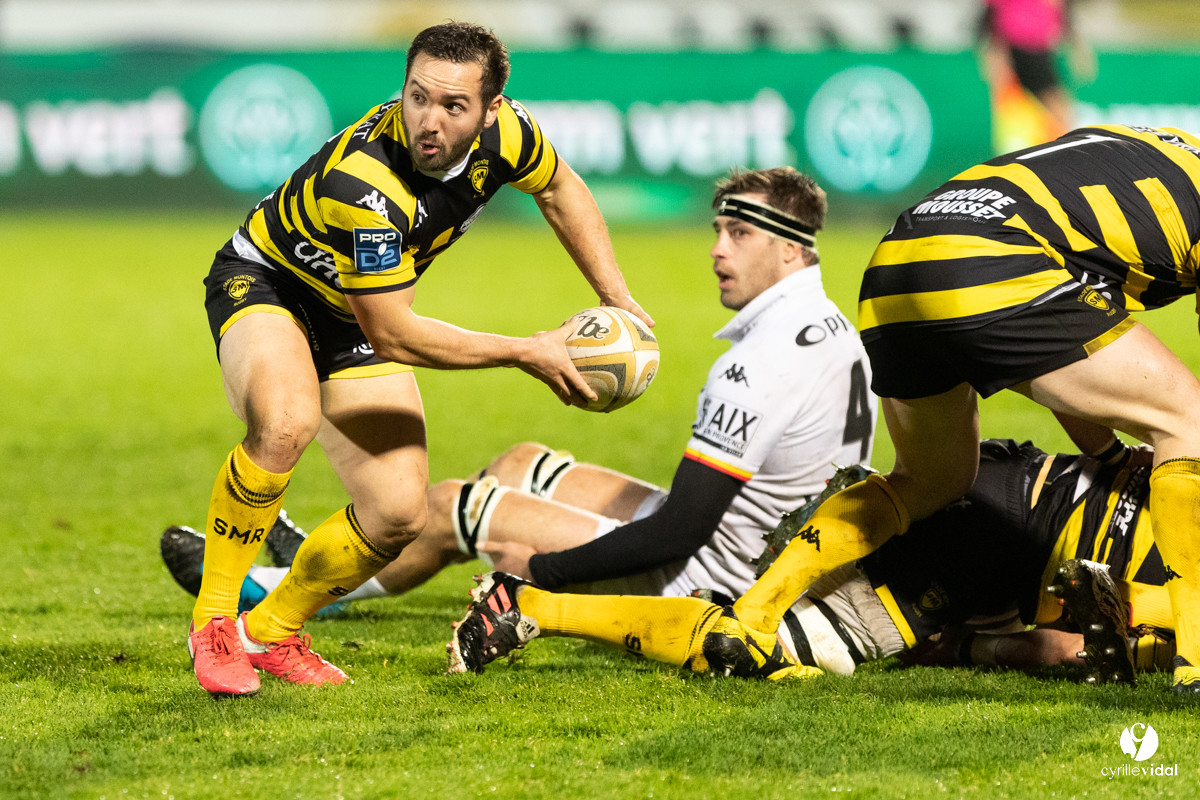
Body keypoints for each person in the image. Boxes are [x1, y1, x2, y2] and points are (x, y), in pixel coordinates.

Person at [162, 166, 878, 666]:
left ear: (791, 247)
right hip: (764, 546)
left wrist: (536, 576)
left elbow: (680, 532)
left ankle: (277, 594)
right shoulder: (824, 324)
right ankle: (310, 556)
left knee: (449, 508)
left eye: (740, 236)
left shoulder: (755, 365)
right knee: (519, 463)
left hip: (711, 579)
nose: (718, 250)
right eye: (718, 229)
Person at [186, 20, 651, 697]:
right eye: (417, 96)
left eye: (453, 106)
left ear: (491, 110)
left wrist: (619, 301)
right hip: (269, 286)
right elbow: (396, 334)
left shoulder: (510, 136)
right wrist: (526, 350)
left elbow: (561, 190)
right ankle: (214, 626)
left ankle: (272, 630)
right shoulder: (366, 183)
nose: (428, 120)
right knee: (286, 422)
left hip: (352, 318)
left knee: (399, 513)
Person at [695, 123, 1200, 695]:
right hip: (995, 262)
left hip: (897, 262)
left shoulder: (1154, 147)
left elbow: (1082, 340)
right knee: (1189, 421)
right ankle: (1196, 662)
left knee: (931, 481)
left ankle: (750, 617)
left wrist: (1108, 452)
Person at [448, 438, 1175, 683]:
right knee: (767, 642)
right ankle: (532, 602)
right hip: (988, 559)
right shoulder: (1182, 625)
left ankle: (536, 489)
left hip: (1000, 479)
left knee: (747, 585)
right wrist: (970, 651)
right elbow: (1064, 646)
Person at [978, 0, 1095, 145]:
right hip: (1021, 49)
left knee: (1053, 109)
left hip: (1029, 50)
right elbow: (989, 14)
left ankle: (1063, 147)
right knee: (1055, 109)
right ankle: (1067, 148)